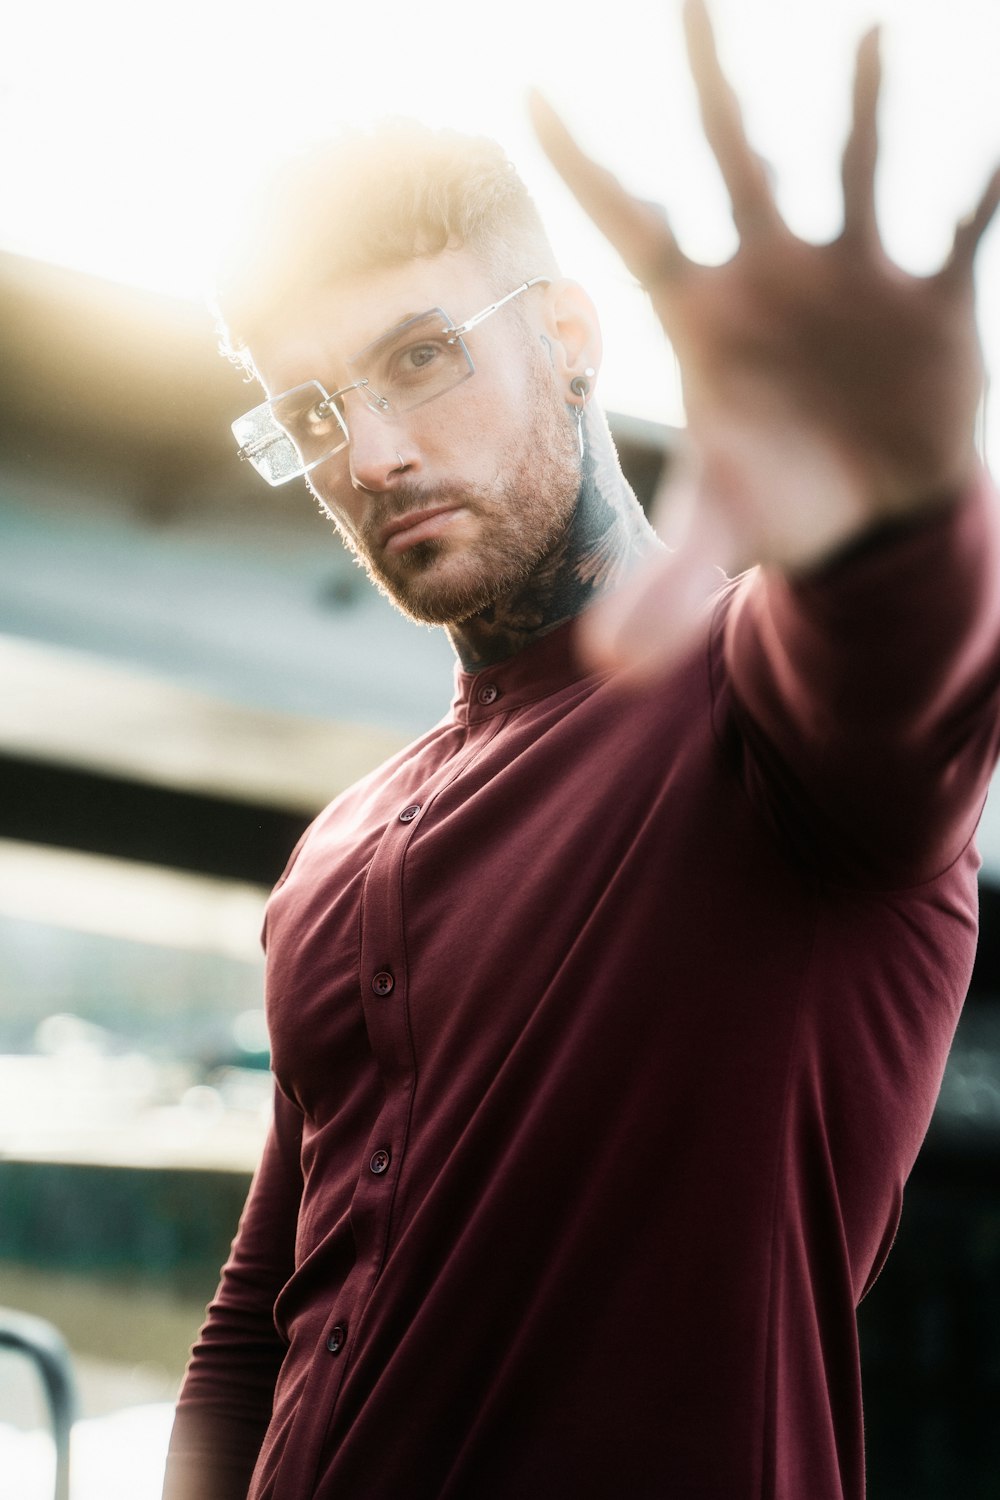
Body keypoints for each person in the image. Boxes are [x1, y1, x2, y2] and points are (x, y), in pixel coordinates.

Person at [163, 3, 1000, 1496]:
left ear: (566, 339)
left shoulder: (763, 720)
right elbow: (257, 1325)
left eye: (419, 357)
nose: (369, 455)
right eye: (311, 408)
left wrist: (903, 498)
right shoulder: (337, 850)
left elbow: (899, 664)